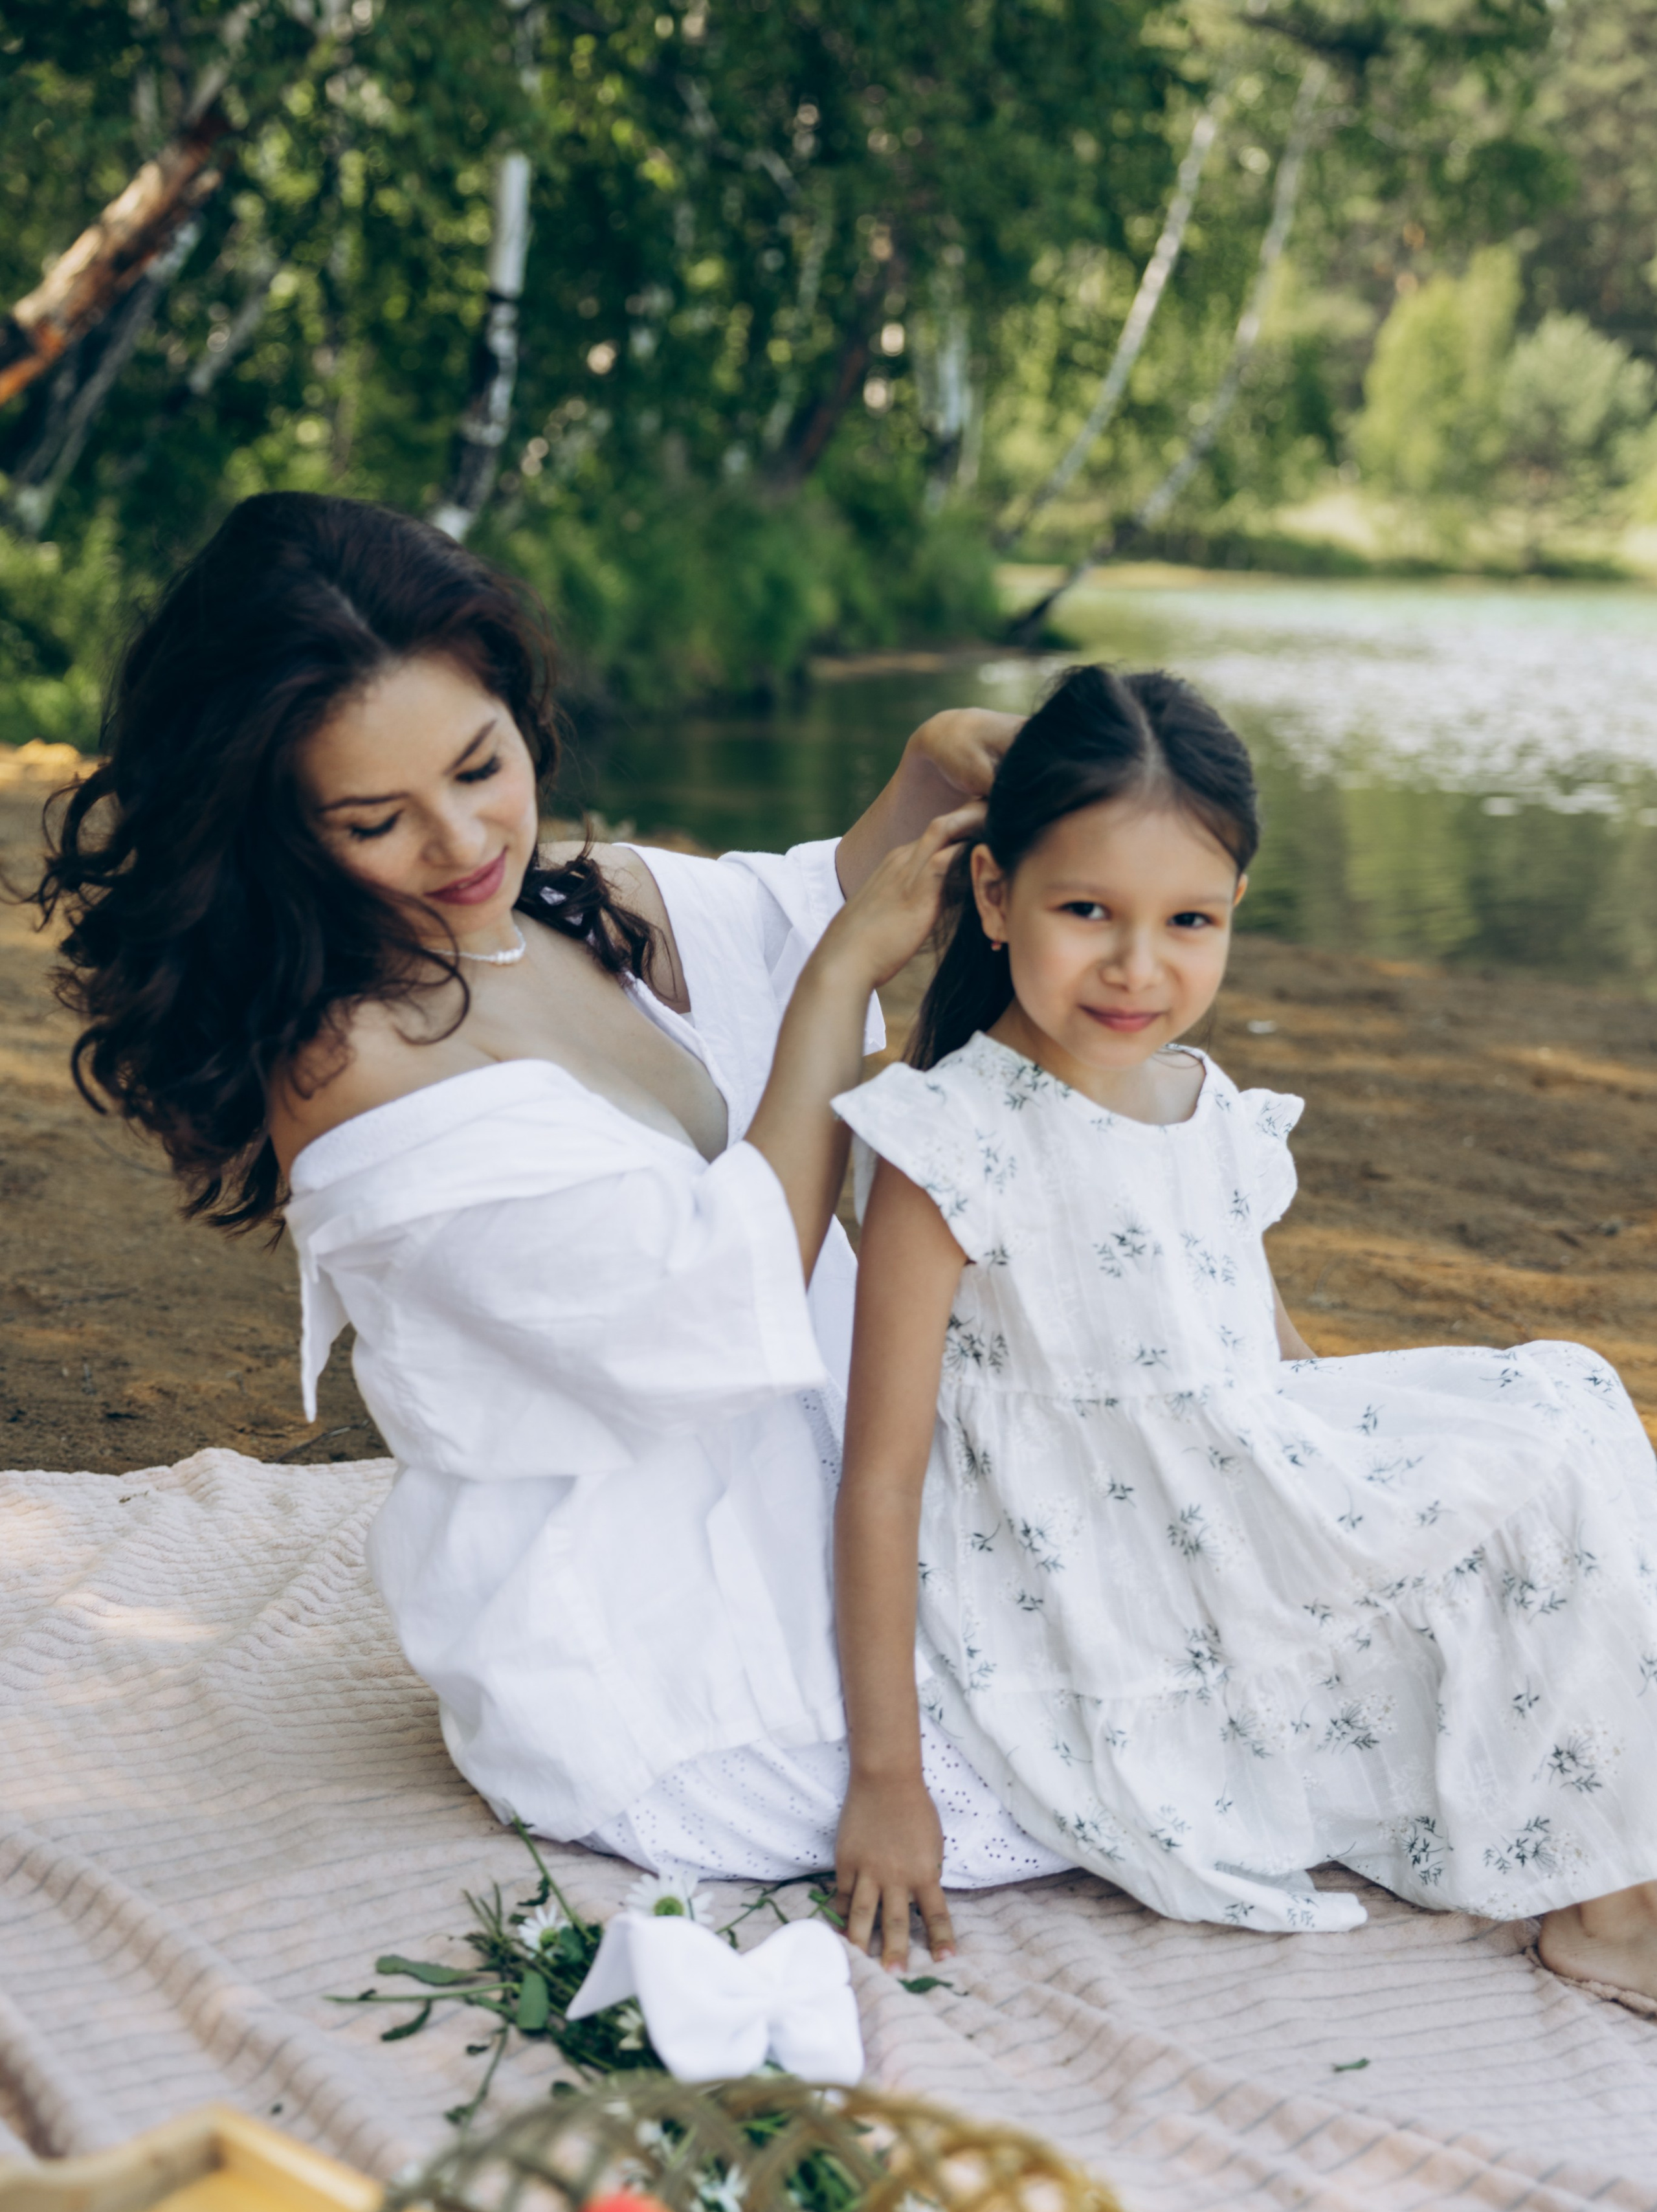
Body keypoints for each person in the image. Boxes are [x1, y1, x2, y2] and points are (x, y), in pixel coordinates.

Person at [32, 489, 1066, 1932]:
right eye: (374, 820)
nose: (461, 843)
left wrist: (915, 785)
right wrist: (845, 977)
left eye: (481, 765)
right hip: (662, 1659)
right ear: (275, 833)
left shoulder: (560, 910)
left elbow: (780, 913)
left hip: (852, 1504)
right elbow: (715, 1288)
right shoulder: (354, 1063)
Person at [830, 661, 1657, 2006]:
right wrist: (885, 1776)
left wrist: (1369, 1499)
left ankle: (1617, 1866)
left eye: (1186, 921)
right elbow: (880, 1475)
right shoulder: (950, 1141)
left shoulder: (1204, 1102)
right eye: (1084, 910)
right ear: (993, 897)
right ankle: (1611, 1913)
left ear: (1232, 915)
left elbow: (1267, 1356)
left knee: (1560, 1414)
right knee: (1549, 1432)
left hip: (1231, 1490)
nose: (1134, 966)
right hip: (1112, 1572)